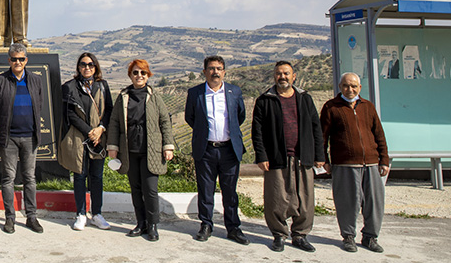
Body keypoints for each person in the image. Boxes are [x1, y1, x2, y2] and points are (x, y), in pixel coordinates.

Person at [252, 61, 325, 252]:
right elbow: (257, 131)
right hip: (276, 157)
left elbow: (316, 127)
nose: (282, 77)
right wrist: (261, 155)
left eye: (286, 73)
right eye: (278, 74)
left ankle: (300, 235)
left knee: (305, 198)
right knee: (276, 198)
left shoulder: (305, 98)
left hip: (303, 156)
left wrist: (319, 154)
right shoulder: (264, 100)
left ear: (294, 77)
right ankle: (279, 234)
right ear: (274, 76)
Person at [320, 72, 389, 253]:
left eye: (353, 86)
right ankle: (348, 236)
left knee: (374, 202)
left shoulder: (368, 107)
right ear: (340, 87)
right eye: (346, 86)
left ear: (359, 87)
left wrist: (384, 160)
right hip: (344, 164)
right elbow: (322, 137)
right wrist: (324, 160)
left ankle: (370, 237)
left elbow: (379, 135)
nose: (350, 89)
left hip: (372, 164)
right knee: (346, 202)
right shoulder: (331, 107)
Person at [184, 55, 249, 245]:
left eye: (219, 68)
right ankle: (206, 224)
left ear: (224, 72)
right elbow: (191, 118)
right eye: (211, 68)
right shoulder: (195, 93)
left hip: (229, 150)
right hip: (206, 149)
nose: (215, 72)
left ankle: (233, 227)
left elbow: (240, 116)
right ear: (204, 72)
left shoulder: (234, 92)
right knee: (205, 190)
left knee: (230, 192)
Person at [106, 59, 174, 241]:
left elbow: (165, 122)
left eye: (143, 73)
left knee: (150, 189)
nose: (139, 76)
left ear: (148, 75)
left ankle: (152, 225)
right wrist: (113, 147)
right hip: (130, 149)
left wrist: (168, 146)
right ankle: (141, 223)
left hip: (150, 149)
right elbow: (114, 122)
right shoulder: (123, 96)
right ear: (130, 75)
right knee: (135, 188)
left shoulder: (155, 97)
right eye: (135, 72)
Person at [0, 43, 45, 233]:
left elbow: (39, 105)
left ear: (26, 60)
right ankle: (9, 218)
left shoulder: (36, 80)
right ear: (9, 60)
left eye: (21, 59)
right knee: (8, 178)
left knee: (30, 178)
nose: (18, 62)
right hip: (9, 138)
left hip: (30, 137)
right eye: (14, 59)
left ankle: (31, 216)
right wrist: (5, 122)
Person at [60, 52, 113, 231]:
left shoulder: (103, 86)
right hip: (79, 138)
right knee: (80, 176)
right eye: (83, 64)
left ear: (96, 67)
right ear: (78, 67)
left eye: (90, 64)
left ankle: (97, 213)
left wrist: (100, 129)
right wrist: (88, 130)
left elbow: (109, 111)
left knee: (97, 177)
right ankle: (81, 214)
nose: (87, 68)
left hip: (99, 138)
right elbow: (69, 114)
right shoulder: (69, 87)